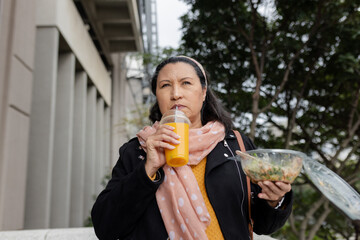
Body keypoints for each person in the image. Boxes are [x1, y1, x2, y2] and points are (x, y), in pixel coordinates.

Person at [91, 56, 293, 240]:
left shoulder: (236, 145)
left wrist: (275, 200)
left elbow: (264, 225)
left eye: (186, 83)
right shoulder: (139, 150)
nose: (176, 94)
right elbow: (105, 227)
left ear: (203, 92)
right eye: (165, 85)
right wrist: (148, 170)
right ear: (157, 96)